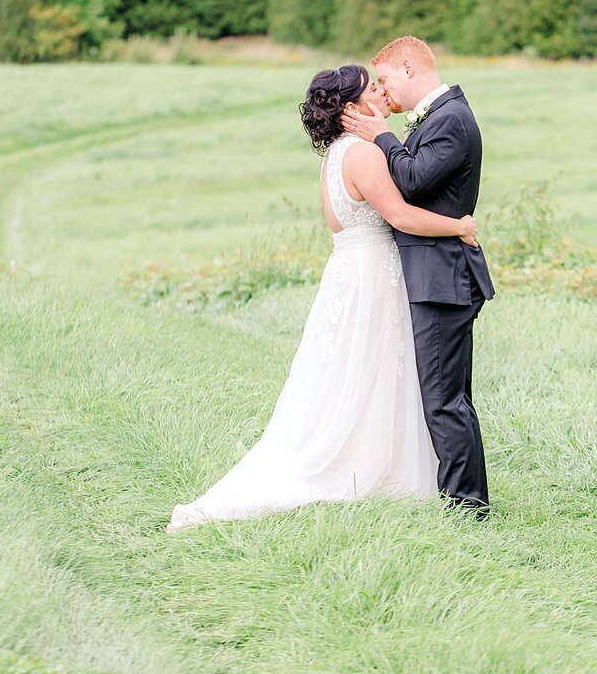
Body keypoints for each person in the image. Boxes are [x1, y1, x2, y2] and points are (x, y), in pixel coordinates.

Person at [167, 64, 479, 531]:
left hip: (346, 273)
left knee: (349, 375)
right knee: (374, 374)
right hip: (375, 275)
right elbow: (400, 215)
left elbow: (339, 225)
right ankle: (374, 470)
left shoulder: (333, 157)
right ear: (352, 108)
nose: (382, 92)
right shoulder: (365, 154)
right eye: (372, 88)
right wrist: (460, 226)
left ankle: (379, 466)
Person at [343, 36, 493, 516]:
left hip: (443, 278)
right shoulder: (441, 116)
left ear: (409, 69)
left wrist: (380, 138)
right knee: (448, 397)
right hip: (435, 274)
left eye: (384, 79)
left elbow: (410, 181)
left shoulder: (451, 119)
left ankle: (467, 508)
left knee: (444, 400)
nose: (383, 92)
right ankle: (464, 500)